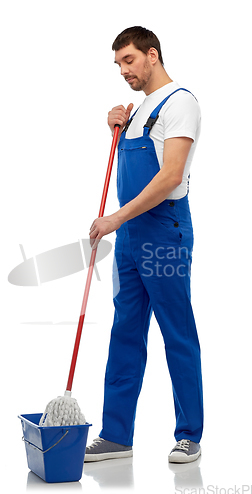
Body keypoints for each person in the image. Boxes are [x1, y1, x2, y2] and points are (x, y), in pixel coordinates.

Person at [85, 26, 203, 464]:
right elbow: (136, 162)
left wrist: (115, 218)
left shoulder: (180, 103)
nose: (123, 71)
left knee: (176, 331)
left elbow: (171, 175)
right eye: (118, 64)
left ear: (152, 55)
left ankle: (189, 434)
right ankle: (116, 435)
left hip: (163, 234)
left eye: (129, 61)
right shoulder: (137, 110)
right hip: (132, 235)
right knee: (126, 332)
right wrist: (114, 127)